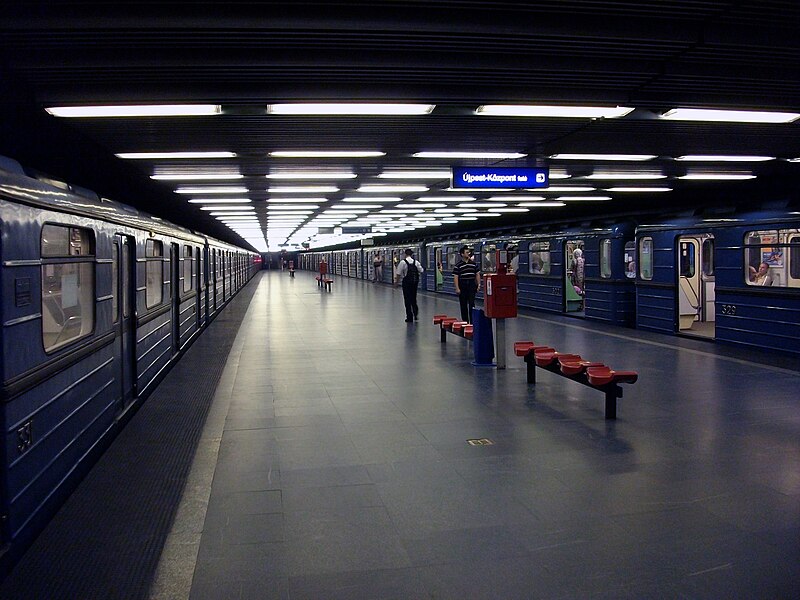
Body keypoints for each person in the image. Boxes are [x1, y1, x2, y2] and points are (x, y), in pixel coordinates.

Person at [395, 248, 424, 322]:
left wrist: (396, 283)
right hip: (414, 283)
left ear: (405, 254)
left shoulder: (403, 262)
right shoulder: (416, 262)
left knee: (407, 300)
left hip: (406, 283)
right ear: (411, 254)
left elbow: (398, 273)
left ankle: (409, 317)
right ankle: (415, 314)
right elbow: (421, 270)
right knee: (413, 298)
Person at [453, 245, 480, 323]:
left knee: (472, 304)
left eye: (469, 252)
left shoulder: (474, 264)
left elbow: (477, 274)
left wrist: (478, 284)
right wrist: (457, 288)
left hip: (471, 284)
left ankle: (472, 321)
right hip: (463, 285)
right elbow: (456, 277)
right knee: (463, 305)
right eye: (467, 252)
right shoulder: (458, 265)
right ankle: (465, 321)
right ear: (462, 254)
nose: (469, 253)